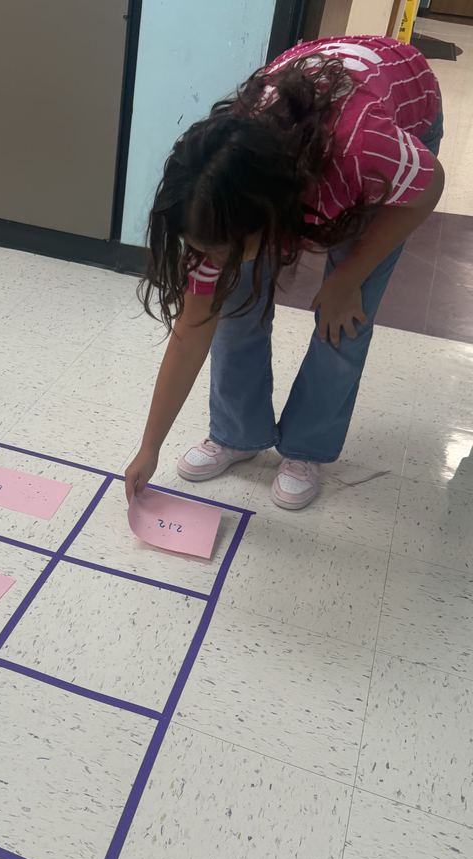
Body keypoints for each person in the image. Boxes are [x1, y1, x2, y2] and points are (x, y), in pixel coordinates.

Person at [125, 36, 444, 510]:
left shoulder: (361, 151)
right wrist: (148, 447)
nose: (212, 258)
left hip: (401, 98)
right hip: (300, 129)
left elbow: (429, 185)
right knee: (233, 307)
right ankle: (237, 435)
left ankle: (306, 449)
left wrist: (348, 277)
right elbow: (192, 331)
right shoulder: (216, 196)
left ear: (274, 221)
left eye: (224, 249)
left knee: (344, 317)